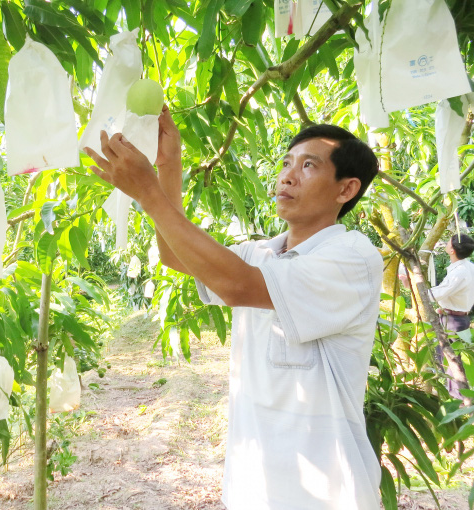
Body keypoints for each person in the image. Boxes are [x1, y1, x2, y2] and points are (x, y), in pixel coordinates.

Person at [85, 109, 382, 509]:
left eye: (309, 165)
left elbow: (238, 286)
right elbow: (175, 254)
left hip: (326, 492)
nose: (287, 176)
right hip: (253, 486)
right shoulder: (261, 252)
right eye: (286, 163)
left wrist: (148, 192)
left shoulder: (351, 256)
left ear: (345, 190)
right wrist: (168, 164)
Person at [428, 234, 474, 398]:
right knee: (450, 358)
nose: (445, 243)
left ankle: (457, 399)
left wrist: (418, 289)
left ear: (452, 250)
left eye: (448, 241)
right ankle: (454, 396)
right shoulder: (470, 267)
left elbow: (440, 292)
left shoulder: (460, 272)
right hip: (458, 317)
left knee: (451, 361)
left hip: (453, 321)